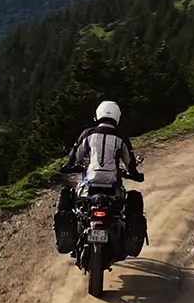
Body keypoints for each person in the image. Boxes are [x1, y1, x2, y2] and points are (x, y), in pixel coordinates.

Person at [54, 101, 145, 253]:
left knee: (72, 201)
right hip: (113, 187)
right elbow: (130, 163)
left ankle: (68, 238)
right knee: (126, 207)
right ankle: (125, 242)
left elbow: (73, 157)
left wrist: (68, 167)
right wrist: (135, 175)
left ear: (98, 115)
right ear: (117, 117)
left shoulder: (87, 134)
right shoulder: (121, 137)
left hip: (89, 186)